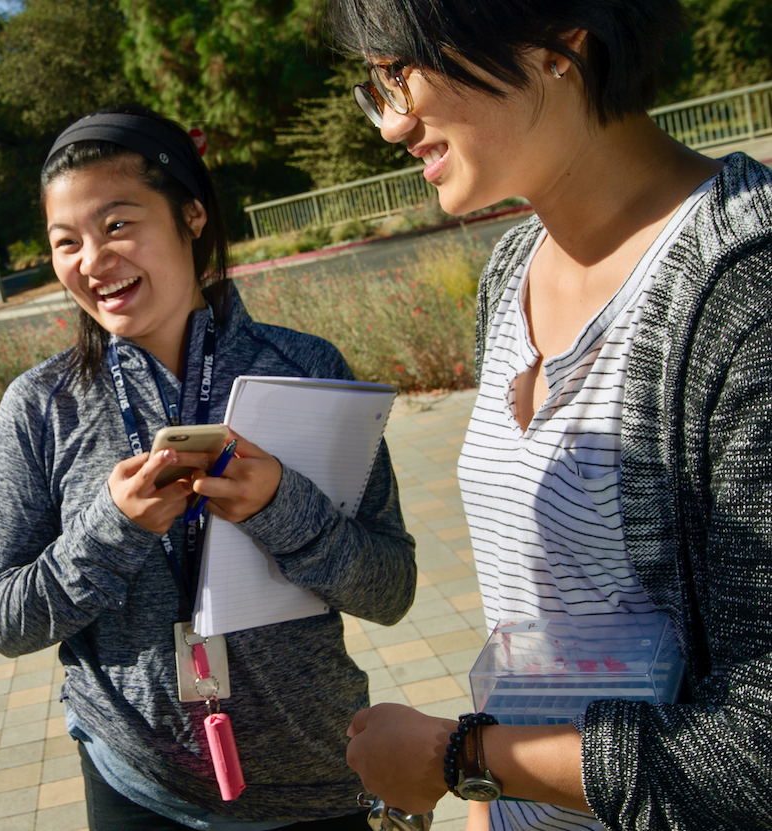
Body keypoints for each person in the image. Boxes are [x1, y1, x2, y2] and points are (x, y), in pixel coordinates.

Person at [324, 1, 772, 829]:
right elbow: (532, 616)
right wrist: (491, 797)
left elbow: (757, 749)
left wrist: (457, 758)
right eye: (377, 83)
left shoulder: (744, 293)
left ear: (558, 42)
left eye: (404, 73)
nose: (390, 123)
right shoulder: (512, 266)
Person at [0, 107, 418, 830]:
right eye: (66, 242)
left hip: (316, 777)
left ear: (190, 214)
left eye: (118, 225)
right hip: (139, 785)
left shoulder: (305, 370)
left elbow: (391, 588)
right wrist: (112, 530)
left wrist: (282, 506)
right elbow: (4, 619)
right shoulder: (38, 407)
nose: (91, 260)